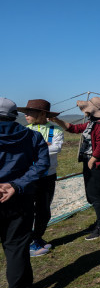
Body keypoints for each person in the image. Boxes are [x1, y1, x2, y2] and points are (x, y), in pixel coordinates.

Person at [0, 97, 50, 288]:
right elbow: (42, 164)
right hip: (19, 198)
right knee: (17, 246)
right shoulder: (32, 136)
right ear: (14, 115)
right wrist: (16, 185)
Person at [50, 97, 100, 240]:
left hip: (97, 164)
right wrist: (57, 121)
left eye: (87, 110)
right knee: (92, 194)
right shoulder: (92, 123)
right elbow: (74, 129)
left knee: (96, 194)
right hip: (91, 162)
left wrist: (93, 159)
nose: (85, 112)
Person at [18, 99, 64, 257]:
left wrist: (36, 149)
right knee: (27, 209)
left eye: (30, 112)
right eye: (25, 112)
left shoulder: (55, 130)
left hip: (48, 176)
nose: (25, 115)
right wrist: (45, 146)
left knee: (44, 210)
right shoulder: (24, 130)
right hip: (30, 176)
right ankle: (30, 242)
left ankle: (37, 237)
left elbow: (56, 148)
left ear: (43, 114)